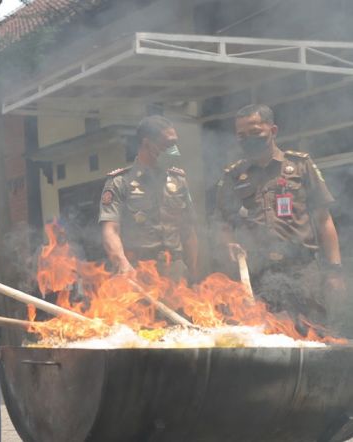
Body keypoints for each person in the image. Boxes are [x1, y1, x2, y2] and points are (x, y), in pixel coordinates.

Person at [215, 104, 345, 325]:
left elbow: (324, 220)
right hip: (258, 273)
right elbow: (221, 222)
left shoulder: (301, 165)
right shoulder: (234, 175)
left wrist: (334, 270)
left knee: (311, 336)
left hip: (302, 271)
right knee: (265, 338)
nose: (249, 139)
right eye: (242, 135)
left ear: (273, 130)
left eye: (255, 132)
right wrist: (228, 243)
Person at [99, 115, 199, 284]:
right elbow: (110, 230)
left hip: (176, 272)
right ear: (147, 144)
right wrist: (121, 262)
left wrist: (194, 273)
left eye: (175, 144)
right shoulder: (119, 182)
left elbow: (188, 231)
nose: (174, 150)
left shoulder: (178, 180)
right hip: (138, 272)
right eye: (168, 145)